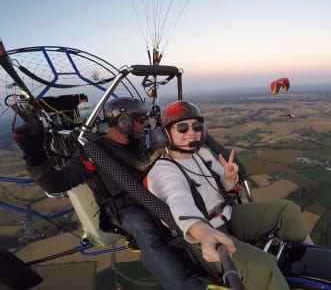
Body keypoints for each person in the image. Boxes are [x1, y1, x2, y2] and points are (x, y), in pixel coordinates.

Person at [12, 97, 206, 290]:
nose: (145, 124)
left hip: (151, 197)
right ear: (123, 123)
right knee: (144, 228)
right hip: (124, 209)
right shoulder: (92, 152)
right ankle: (185, 286)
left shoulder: (139, 144)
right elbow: (56, 184)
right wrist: (34, 153)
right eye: (140, 120)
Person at [146, 101, 315, 290]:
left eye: (197, 127)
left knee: (288, 210)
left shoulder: (201, 154)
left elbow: (222, 186)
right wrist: (205, 233)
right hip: (205, 235)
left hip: (228, 215)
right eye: (182, 128)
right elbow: (179, 203)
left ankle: (315, 259)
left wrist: (228, 178)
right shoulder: (163, 172)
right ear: (164, 135)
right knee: (262, 268)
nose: (191, 132)